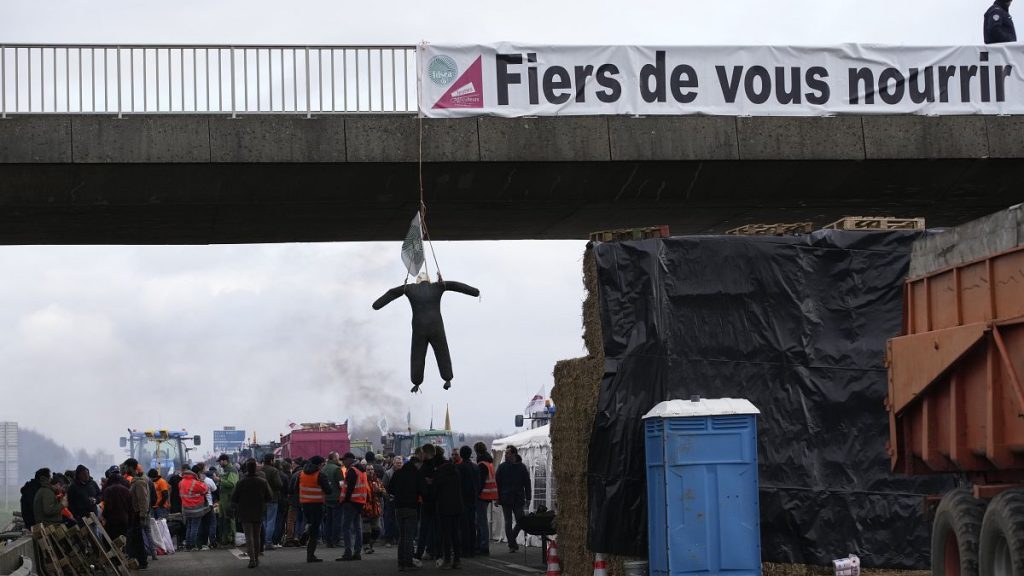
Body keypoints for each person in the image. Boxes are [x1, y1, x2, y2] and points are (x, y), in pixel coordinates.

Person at [371, 276, 481, 392]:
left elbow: (392, 292)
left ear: (417, 281)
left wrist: (376, 305)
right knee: (442, 352)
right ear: (429, 280)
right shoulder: (438, 286)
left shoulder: (409, 288)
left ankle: (416, 382)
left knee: (417, 355)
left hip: (419, 328)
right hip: (436, 327)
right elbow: (455, 285)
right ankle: (447, 378)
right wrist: (475, 292)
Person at [233, 459, 274, 569]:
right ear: (256, 469)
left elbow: (234, 498)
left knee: (248, 536)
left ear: (247, 469)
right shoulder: (262, 482)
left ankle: (252, 559)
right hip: (258, 511)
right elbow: (269, 497)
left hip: (244, 512)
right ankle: (256, 557)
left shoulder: (241, 482)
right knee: (257, 536)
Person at [297, 455, 333, 563]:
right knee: (315, 529)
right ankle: (310, 555)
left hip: (305, 504)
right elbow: (328, 491)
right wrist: (328, 484)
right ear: (319, 464)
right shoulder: (320, 475)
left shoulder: (301, 474)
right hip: (317, 504)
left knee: (310, 522)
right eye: (323, 464)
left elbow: (295, 488)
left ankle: (306, 532)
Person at [495, 445, 530, 553]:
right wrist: (497, 497)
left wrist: (528, 497)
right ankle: (512, 544)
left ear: (514, 454)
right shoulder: (502, 467)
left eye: (507, 453)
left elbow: (527, 483)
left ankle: (511, 540)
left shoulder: (521, 467)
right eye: (506, 453)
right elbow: (497, 483)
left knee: (521, 521)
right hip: (505, 498)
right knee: (508, 522)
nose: (505, 454)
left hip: (518, 498)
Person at [391, 455, 422, 571]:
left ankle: (401, 563)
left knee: (402, 536)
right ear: (416, 464)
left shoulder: (398, 473)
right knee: (409, 536)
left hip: (399, 508)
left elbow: (390, 489)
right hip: (411, 508)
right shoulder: (417, 474)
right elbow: (422, 490)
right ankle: (408, 562)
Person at [336, 453, 369, 562]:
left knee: (346, 527)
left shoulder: (352, 471)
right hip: (359, 502)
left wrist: (344, 500)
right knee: (357, 528)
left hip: (351, 502)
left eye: (344, 460)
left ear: (349, 460)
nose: (343, 462)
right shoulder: (362, 470)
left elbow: (349, 488)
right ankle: (357, 552)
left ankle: (348, 553)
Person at [434, 447, 463, 569]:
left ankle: (446, 561)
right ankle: (457, 560)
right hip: (457, 505)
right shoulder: (456, 471)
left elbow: (435, 490)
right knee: (455, 533)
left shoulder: (439, 472)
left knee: (446, 534)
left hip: (444, 506)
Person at [125, 459, 151, 569]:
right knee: (136, 539)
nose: (125, 470)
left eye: (126, 467)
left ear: (131, 467)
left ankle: (142, 562)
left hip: (137, 514)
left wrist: (142, 515)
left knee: (138, 540)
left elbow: (143, 500)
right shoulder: (134, 482)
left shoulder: (139, 482)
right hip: (135, 514)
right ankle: (140, 561)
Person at [415, 444, 439, 561]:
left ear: (425, 453)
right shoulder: (439, 466)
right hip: (437, 502)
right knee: (435, 528)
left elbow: (420, 484)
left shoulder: (424, 468)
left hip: (427, 501)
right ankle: (435, 551)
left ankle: (420, 553)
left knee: (424, 528)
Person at [178, 467, 210, 551]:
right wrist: (201, 480)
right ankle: (192, 545)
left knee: (189, 526)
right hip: (196, 508)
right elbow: (206, 489)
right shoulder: (195, 483)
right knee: (195, 527)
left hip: (186, 508)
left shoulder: (181, 482)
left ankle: (188, 545)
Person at [456, 446, 480, 559]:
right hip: (473, 499)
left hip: (462, 499)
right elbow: (479, 484)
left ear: (461, 455)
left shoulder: (459, 467)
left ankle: (465, 550)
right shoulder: (476, 467)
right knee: (472, 525)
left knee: (463, 526)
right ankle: (472, 549)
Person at [474, 442, 497, 555]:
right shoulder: (489, 463)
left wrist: (476, 494)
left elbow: (480, 482)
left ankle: (483, 546)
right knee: (480, 521)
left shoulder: (481, 464)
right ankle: (480, 545)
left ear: (477, 451)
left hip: (482, 495)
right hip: (488, 495)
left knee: (481, 522)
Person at [260, 454, 284, 549]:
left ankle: (263, 540)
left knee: (264, 520)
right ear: (271, 460)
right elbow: (279, 484)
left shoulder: (260, 470)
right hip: (272, 498)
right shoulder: (274, 471)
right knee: (271, 521)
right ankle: (268, 542)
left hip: (262, 499)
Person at [101, 470, 133, 541]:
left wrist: (104, 516)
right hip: (124, 520)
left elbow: (108, 507)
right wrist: (130, 520)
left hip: (112, 521)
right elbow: (130, 507)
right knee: (123, 541)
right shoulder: (126, 490)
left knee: (110, 541)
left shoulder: (108, 490)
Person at [362, 465, 386, 555]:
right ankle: (366, 547)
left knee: (377, 529)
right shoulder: (362, 481)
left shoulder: (377, 481)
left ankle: (370, 544)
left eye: (372, 469)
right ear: (365, 471)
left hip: (376, 509)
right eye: (368, 470)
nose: (370, 471)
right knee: (366, 530)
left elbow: (384, 493)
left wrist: (379, 490)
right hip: (365, 509)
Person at [216, 455, 239, 547]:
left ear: (225, 460)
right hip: (223, 498)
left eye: (220, 461)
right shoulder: (224, 470)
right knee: (224, 519)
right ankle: (225, 539)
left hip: (229, 498)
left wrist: (220, 480)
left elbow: (232, 484)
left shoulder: (232, 470)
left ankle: (232, 539)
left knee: (230, 519)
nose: (219, 463)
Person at [322, 452, 342, 549]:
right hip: (336, 498)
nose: (339, 459)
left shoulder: (323, 469)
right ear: (334, 458)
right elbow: (341, 485)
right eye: (338, 457)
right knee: (337, 521)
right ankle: (335, 540)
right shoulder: (337, 469)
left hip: (326, 498)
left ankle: (328, 541)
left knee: (328, 521)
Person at [382, 455, 402, 547]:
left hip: (400, 501)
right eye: (397, 463)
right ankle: (388, 539)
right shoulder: (388, 473)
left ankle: (398, 538)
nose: (399, 465)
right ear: (393, 463)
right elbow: (383, 487)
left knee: (399, 520)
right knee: (389, 519)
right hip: (390, 500)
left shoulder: (404, 473)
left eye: (400, 463)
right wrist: (388, 497)